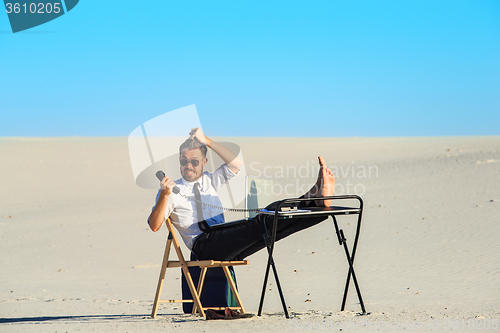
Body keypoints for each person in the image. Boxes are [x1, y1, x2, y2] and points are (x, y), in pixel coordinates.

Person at [148, 128, 335, 261]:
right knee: (261, 222)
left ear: (204, 162)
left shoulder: (209, 180)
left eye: (194, 162)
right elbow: (154, 226)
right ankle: (313, 197)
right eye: (184, 161)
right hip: (204, 246)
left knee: (271, 222)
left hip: (224, 240)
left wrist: (207, 141)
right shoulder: (169, 190)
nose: (188, 166)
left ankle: (313, 199)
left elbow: (235, 164)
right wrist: (165, 196)